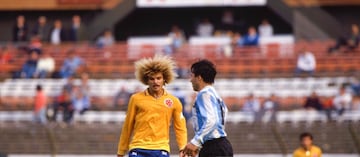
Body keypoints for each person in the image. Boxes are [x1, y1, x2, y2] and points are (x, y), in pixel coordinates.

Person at [117, 55, 187, 157]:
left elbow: (180, 127)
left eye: (158, 78)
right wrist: (121, 151)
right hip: (138, 147)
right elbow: (127, 126)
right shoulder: (135, 99)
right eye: (152, 79)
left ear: (164, 79)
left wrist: (182, 147)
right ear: (146, 80)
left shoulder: (174, 101)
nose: (155, 82)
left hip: (161, 148)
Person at [183, 60, 233, 157]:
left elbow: (211, 120)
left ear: (199, 78)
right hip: (222, 145)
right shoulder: (215, 95)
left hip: (213, 147)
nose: (190, 80)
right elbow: (224, 113)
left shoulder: (204, 94)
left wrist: (195, 142)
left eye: (192, 76)